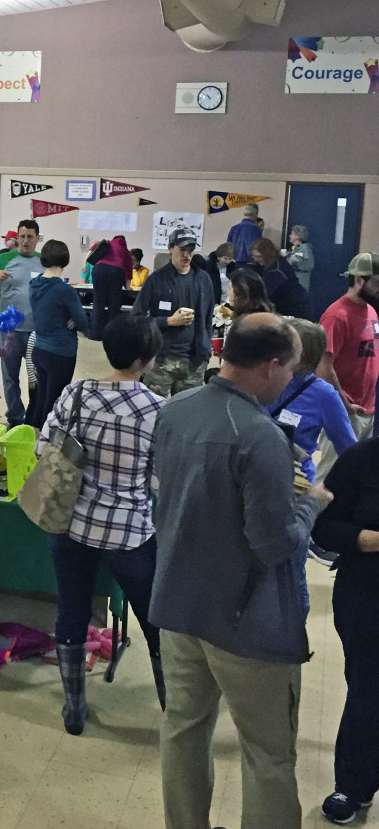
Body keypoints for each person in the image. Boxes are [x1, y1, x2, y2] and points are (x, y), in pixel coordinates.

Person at [151, 313, 332, 829]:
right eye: (290, 369)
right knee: (268, 753)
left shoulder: (176, 409)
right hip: (244, 620)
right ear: (270, 367)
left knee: (184, 730)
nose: (291, 380)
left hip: (179, 604)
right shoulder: (259, 437)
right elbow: (276, 545)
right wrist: (311, 503)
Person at [41, 315, 167, 735]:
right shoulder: (156, 409)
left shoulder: (76, 393)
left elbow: (46, 447)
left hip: (71, 522)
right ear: (148, 358)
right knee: (155, 619)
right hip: (128, 529)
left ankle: (74, 706)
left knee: (72, 609)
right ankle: (174, 704)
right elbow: (160, 478)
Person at [311, 436, 379, 825]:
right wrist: (366, 540)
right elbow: (324, 528)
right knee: (368, 689)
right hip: (367, 595)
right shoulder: (361, 460)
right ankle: (354, 785)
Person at [267, 318, 355, 570]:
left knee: (289, 569)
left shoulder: (324, 395)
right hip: (253, 480)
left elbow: (349, 450)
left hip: (293, 490)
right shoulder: (264, 379)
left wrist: (330, 498)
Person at [315, 252, 379, 480]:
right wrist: (345, 403)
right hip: (344, 409)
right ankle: (315, 516)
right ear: (359, 280)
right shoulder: (336, 316)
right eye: (377, 282)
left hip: (366, 408)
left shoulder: (371, 311)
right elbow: (323, 368)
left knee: (355, 477)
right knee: (331, 477)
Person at [131, 226, 214, 397]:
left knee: (186, 414)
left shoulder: (203, 279)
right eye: (182, 250)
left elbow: (207, 318)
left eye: (190, 250)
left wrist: (205, 351)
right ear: (170, 248)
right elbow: (136, 319)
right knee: (153, 413)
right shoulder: (156, 280)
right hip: (162, 360)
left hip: (194, 361)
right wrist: (168, 321)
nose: (187, 255)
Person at [0, 219, 44, 426]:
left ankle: (34, 416)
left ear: (37, 239)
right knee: (10, 377)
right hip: (10, 330)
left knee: (37, 378)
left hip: (36, 331)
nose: (24, 241)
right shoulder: (3, 259)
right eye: (21, 237)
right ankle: (15, 416)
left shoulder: (44, 261)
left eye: (29, 237)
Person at [25, 239, 89, 428]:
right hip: (60, 352)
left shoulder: (33, 284)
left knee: (40, 398)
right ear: (65, 260)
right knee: (54, 403)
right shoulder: (65, 290)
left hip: (39, 348)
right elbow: (83, 322)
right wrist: (72, 320)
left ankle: (34, 439)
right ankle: (46, 443)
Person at [251, 237, 310, 318]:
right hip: (288, 307)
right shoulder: (275, 262)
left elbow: (266, 295)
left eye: (259, 256)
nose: (256, 260)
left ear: (267, 254)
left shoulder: (277, 270)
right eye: (254, 256)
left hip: (294, 310)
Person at [89, 235, 132, 340]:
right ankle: (111, 336)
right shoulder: (124, 250)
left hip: (99, 270)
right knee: (114, 306)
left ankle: (94, 335)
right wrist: (128, 286)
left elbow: (92, 250)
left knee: (98, 304)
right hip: (116, 272)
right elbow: (129, 269)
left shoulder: (107, 243)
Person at [287, 224, 314, 292]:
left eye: (292, 234)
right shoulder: (293, 249)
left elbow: (309, 265)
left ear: (297, 236)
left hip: (300, 284)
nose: (289, 236)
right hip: (292, 283)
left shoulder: (305, 248)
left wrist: (296, 262)